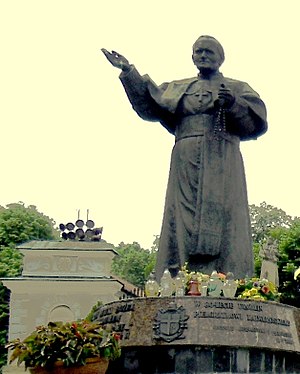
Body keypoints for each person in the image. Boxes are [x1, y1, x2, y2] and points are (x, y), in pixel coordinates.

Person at [102, 35, 267, 281]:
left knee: (227, 217)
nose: (203, 56)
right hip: (185, 157)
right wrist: (129, 71)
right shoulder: (179, 87)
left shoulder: (237, 87)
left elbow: (254, 124)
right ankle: (177, 277)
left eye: (209, 52)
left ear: (221, 58)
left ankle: (230, 278)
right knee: (180, 217)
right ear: (192, 57)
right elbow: (151, 104)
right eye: (198, 51)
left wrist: (233, 104)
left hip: (223, 159)